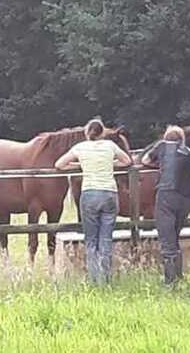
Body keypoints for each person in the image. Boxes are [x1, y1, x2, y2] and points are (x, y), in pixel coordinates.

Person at [55, 118, 132, 284]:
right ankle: (105, 280)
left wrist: (79, 166)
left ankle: (93, 280)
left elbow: (59, 164)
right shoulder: (110, 146)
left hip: (89, 194)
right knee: (106, 240)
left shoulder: (80, 148)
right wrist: (111, 164)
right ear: (102, 133)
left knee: (91, 240)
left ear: (86, 133)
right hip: (109, 194)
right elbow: (127, 161)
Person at [141, 125, 190, 285]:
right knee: (174, 238)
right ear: (182, 139)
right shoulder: (188, 152)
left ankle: (171, 283)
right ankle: (178, 278)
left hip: (166, 197)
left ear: (166, 137)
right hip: (185, 200)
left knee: (167, 242)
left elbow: (145, 159)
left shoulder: (161, 147)